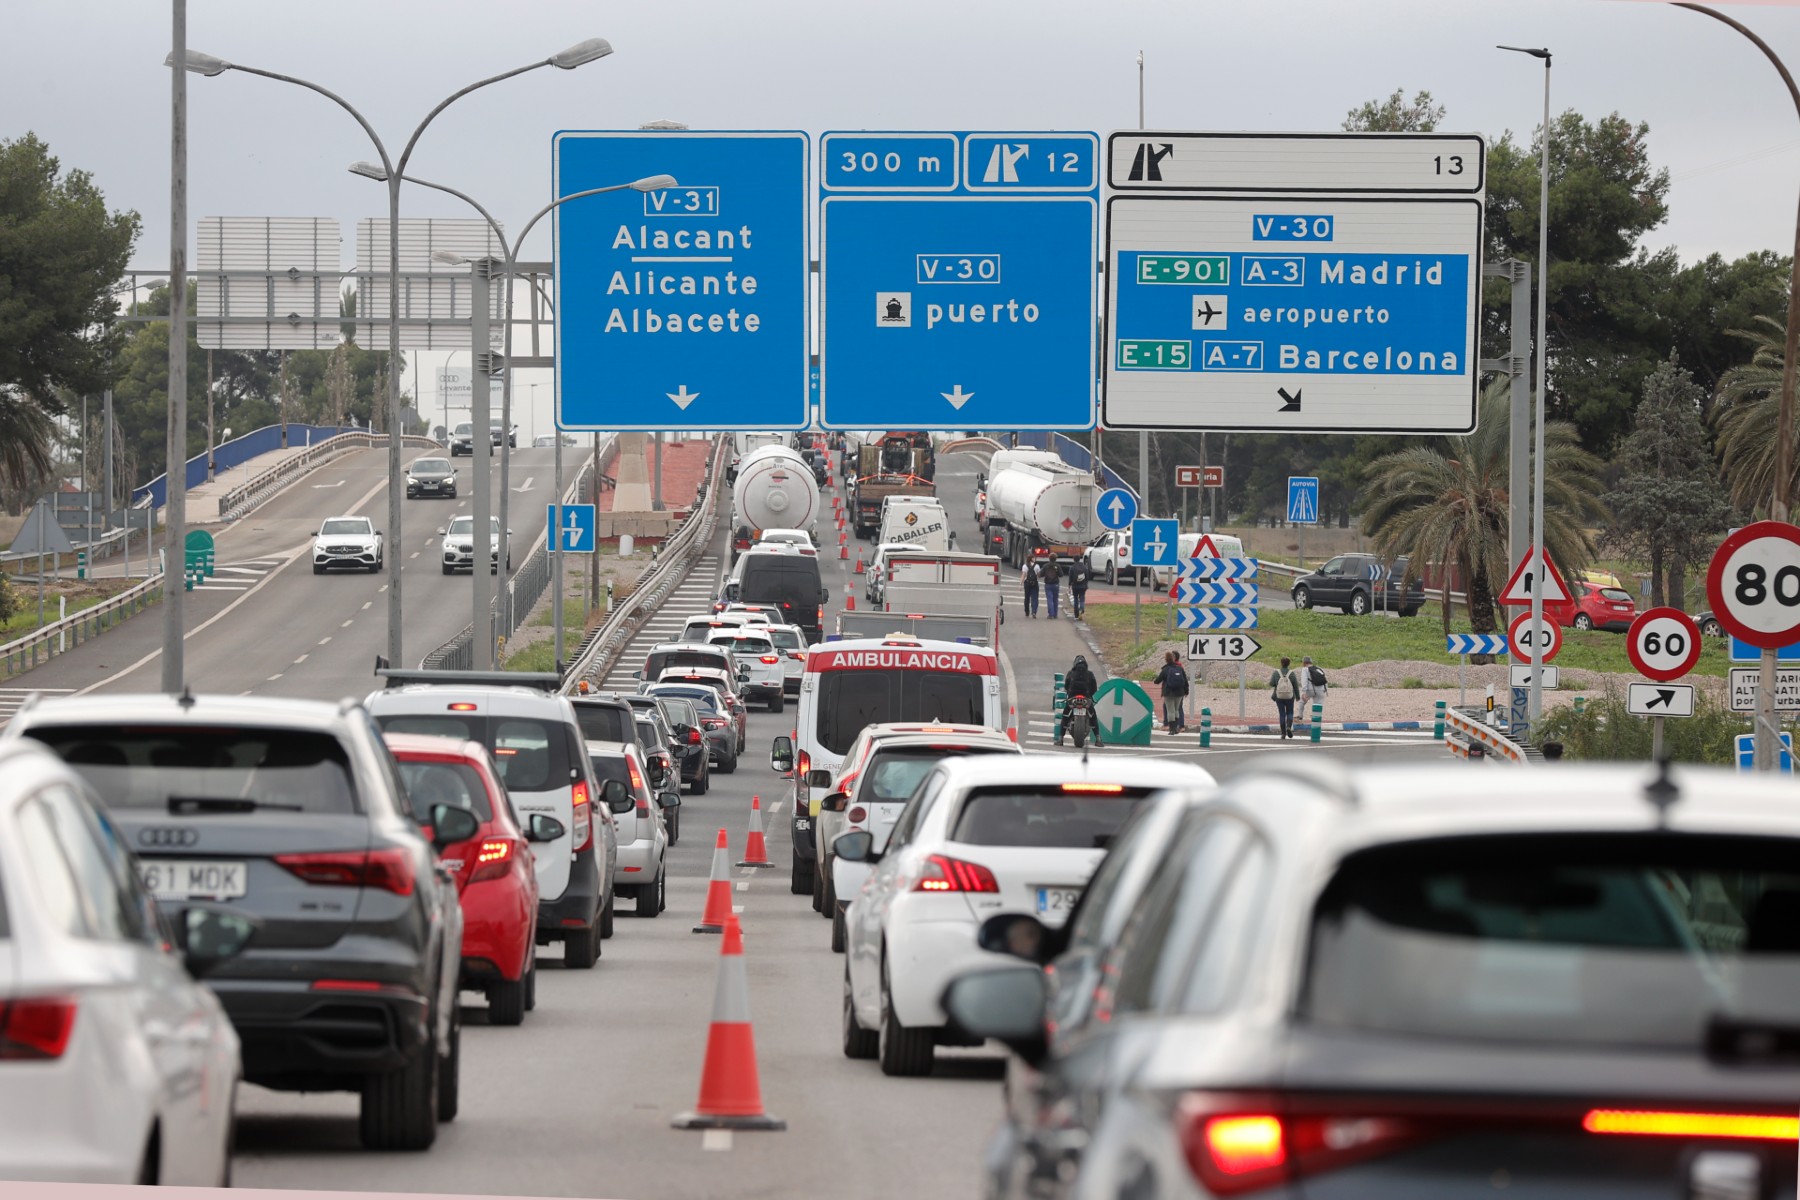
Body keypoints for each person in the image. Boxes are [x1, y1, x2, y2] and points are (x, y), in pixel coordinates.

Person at [1058, 654, 1100, 746]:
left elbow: (1066, 686)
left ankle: (1060, 739)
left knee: (1065, 716)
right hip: (1086, 699)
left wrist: (1070, 692)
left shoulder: (1070, 673)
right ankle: (1098, 739)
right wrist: (1089, 695)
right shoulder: (1090, 674)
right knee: (1093, 716)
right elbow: (1094, 688)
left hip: (1072, 699)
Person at [1153, 650, 1190, 734]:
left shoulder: (1165, 669)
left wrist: (1156, 680)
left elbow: (1157, 681)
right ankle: (1176, 728)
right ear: (1174, 659)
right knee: (1176, 710)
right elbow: (1185, 681)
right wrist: (1186, 691)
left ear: (1166, 660)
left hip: (1169, 693)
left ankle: (1172, 729)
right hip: (1180, 693)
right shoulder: (1179, 668)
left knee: (1170, 711)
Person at [1269, 656, 1301, 739]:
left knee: (1282, 713)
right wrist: (1297, 696)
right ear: (1289, 664)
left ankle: (1283, 733)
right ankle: (1289, 727)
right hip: (1290, 696)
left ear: (1281, 663)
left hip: (1279, 696)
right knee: (1290, 712)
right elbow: (1295, 686)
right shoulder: (1292, 673)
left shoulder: (1276, 673)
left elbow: (1271, 683)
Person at [1300, 655, 1328, 731]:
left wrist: (1303, 692)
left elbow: (1304, 681)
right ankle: (1316, 723)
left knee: (1302, 701)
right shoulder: (1319, 669)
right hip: (1321, 689)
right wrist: (1325, 690)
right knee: (1318, 706)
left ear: (1304, 663)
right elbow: (1325, 680)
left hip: (1311, 689)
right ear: (1311, 662)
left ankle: (1300, 717)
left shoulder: (1305, 669)